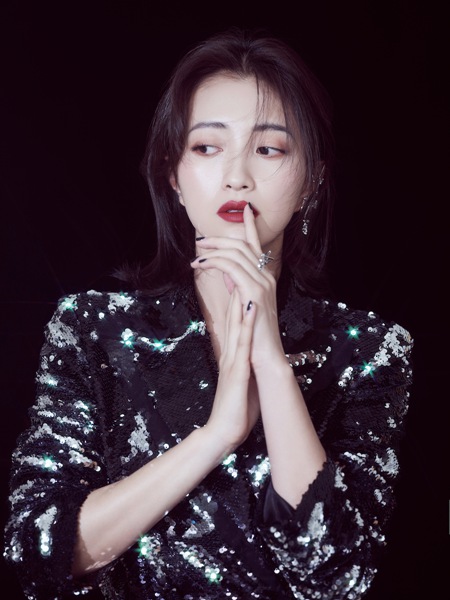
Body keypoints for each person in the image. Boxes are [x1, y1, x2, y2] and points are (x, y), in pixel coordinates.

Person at [3, 27, 413, 600]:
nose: (237, 175)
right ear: (172, 174)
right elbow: (39, 551)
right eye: (207, 147)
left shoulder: (368, 349)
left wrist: (272, 362)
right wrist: (216, 435)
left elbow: (334, 576)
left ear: (312, 180)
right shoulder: (93, 329)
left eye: (268, 149)